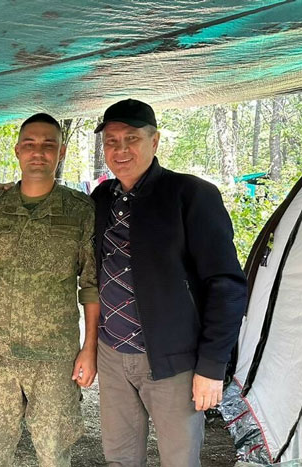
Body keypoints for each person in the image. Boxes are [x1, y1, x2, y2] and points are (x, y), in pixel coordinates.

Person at [91, 98, 247, 466]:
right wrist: (8, 190)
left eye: (132, 138)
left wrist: (212, 366)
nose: (120, 149)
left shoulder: (191, 195)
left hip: (173, 360)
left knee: (179, 460)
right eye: (111, 141)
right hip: (112, 355)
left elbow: (227, 285)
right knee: (119, 458)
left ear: (155, 140)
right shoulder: (101, 198)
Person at [0, 113, 100, 467]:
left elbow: (91, 285)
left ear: (61, 152)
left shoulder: (80, 211)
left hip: (55, 356)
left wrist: (89, 347)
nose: (39, 152)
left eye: (48, 144)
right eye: (30, 144)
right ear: (18, 150)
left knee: (54, 453)